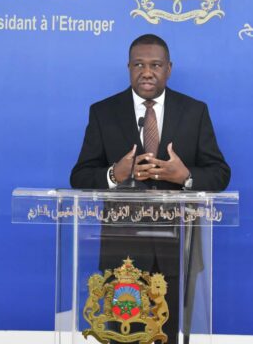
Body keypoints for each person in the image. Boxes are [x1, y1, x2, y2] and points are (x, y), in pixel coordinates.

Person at [70, 33, 230, 343]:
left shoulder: (194, 111)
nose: (147, 72)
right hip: (122, 251)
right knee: (122, 336)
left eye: (155, 65)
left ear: (169, 68)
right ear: (128, 67)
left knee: (168, 335)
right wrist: (114, 174)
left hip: (176, 249)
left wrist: (184, 176)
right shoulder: (104, 112)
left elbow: (220, 174)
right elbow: (79, 176)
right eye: (139, 64)